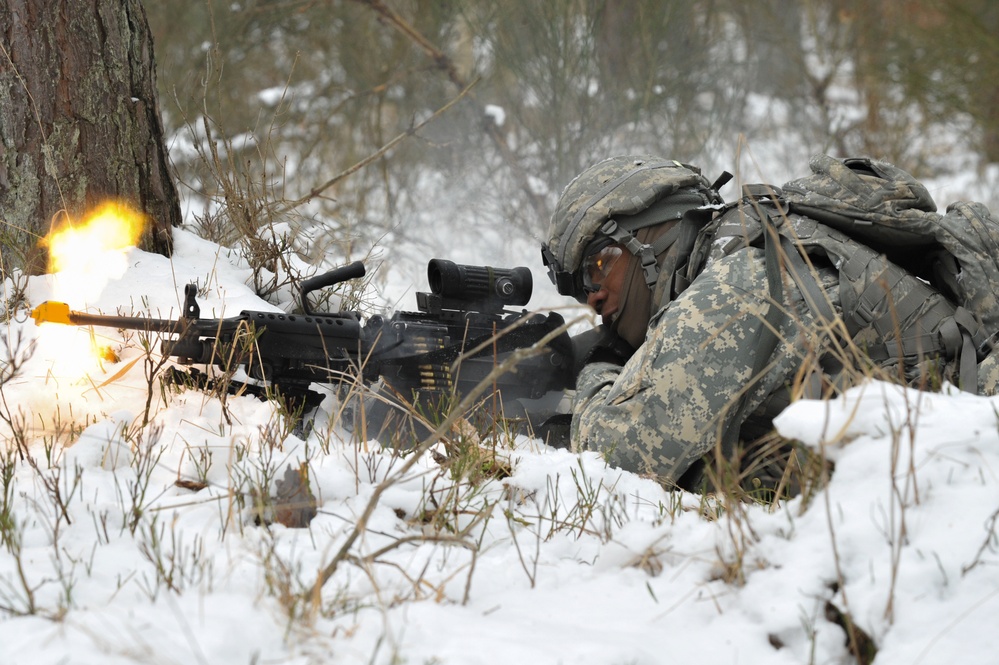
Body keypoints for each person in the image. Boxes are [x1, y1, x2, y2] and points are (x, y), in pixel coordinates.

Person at [542, 155, 977, 493]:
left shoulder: (736, 283)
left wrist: (596, 372)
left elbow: (621, 457)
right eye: (580, 290)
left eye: (599, 264)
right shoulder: (754, 246)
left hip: (969, 464)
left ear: (651, 235)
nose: (593, 297)